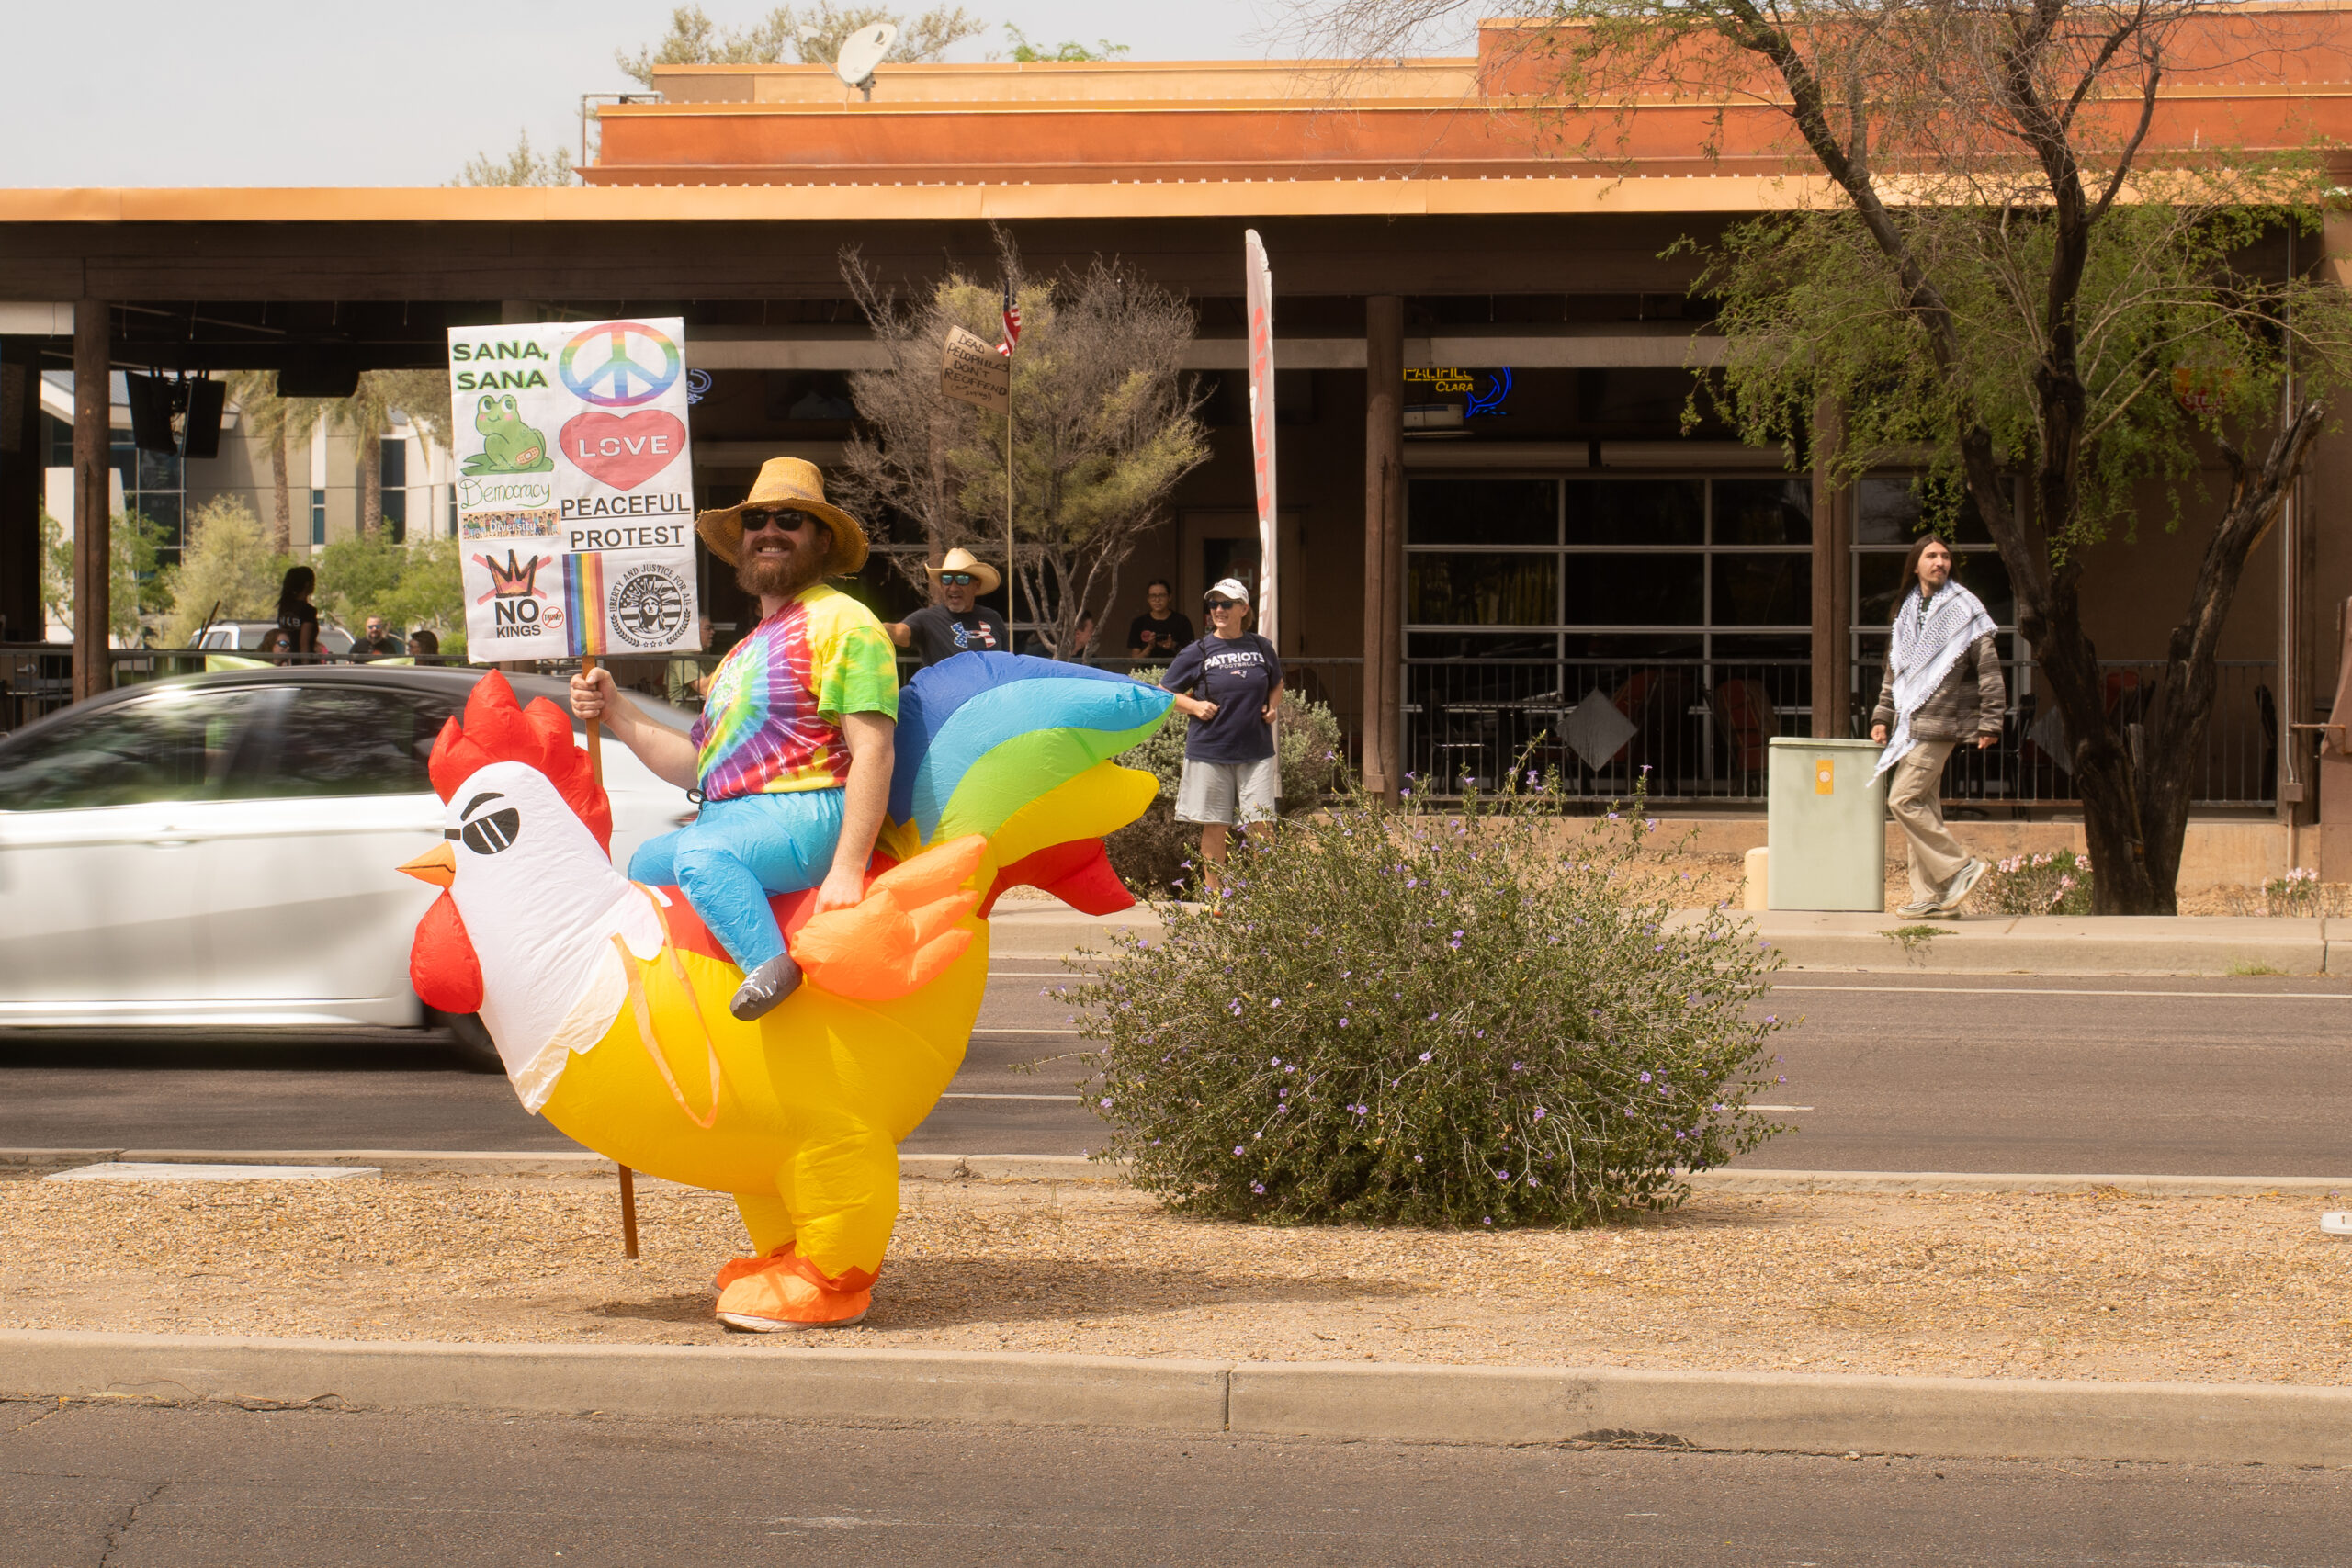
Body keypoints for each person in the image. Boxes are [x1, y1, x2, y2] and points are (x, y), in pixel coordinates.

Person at [571, 457, 899, 1021]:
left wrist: (847, 868)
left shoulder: (847, 623)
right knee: (648, 865)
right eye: (756, 520)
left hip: (809, 813)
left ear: (821, 539)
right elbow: (701, 767)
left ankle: (773, 970)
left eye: (789, 518)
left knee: (700, 855)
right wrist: (616, 709)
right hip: (731, 818)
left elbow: (873, 749)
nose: (769, 531)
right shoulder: (743, 651)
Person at [1870, 536, 2006, 918]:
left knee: (1902, 800)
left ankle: (1960, 866)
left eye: (1945, 556)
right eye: (1931, 556)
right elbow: (1895, 671)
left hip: (1941, 724)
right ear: (1916, 565)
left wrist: (1991, 719)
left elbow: (1990, 670)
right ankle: (1933, 897)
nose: (1940, 562)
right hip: (1909, 724)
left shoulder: (1966, 608)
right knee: (1923, 810)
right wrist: (1882, 716)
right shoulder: (1906, 611)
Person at [1160, 576, 1283, 896]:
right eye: (1214, 604)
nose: (1218, 609)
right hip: (1210, 752)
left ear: (1243, 608)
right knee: (1215, 826)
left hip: (1255, 752)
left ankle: (1266, 901)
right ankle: (1217, 899)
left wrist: (1272, 708)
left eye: (1226, 604)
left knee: (1261, 826)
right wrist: (1194, 706)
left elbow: (1277, 682)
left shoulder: (1260, 646)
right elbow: (1165, 693)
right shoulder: (1197, 650)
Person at [886, 547, 1006, 668]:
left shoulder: (992, 618)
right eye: (946, 579)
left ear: (977, 585)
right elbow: (899, 632)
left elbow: (1006, 663)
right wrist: (872, 627)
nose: (953, 588)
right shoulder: (926, 619)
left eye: (962, 579)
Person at [1127, 579, 1194, 660]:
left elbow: (1191, 656)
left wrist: (1173, 646)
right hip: (1146, 672)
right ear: (1148, 599)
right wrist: (1149, 647)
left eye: (1162, 595)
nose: (1157, 600)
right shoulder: (1139, 623)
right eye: (1153, 596)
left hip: (1175, 671)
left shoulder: (1182, 621)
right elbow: (1134, 660)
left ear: (1169, 597)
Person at [274, 567, 321, 661]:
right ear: (307, 584)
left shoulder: (284, 607)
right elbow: (304, 644)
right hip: (300, 662)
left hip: (286, 659)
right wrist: (305, 668)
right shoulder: (308, 610)